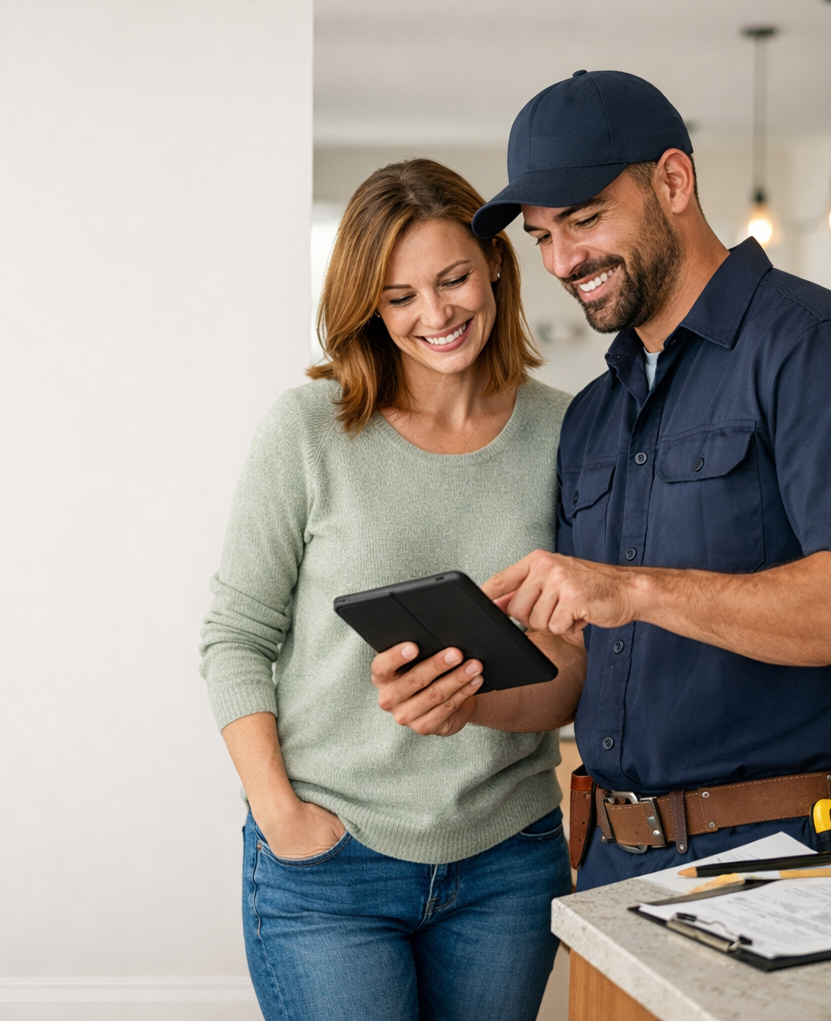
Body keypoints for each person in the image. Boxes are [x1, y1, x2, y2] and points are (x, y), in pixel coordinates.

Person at [372, 71, 831, 891]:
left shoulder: (825, 350)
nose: (564, 260)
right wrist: (467, 697)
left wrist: (635, 590)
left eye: (586, 218)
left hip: (801, 862)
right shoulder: (596, 414)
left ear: (673, 181)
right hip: (617, 865)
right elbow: (576, 670)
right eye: (540, 237)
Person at [198, 159, 585, 1021]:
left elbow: (573, 672)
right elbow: (235, 636)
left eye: (452, 279)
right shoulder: (309, 429)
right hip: (330, 866)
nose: (435, 315)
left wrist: (470, 707)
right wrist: (281, 818)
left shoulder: (567, 433)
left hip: (506, 863)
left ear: (496, 267)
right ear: (367, 304)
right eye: (399, 295)